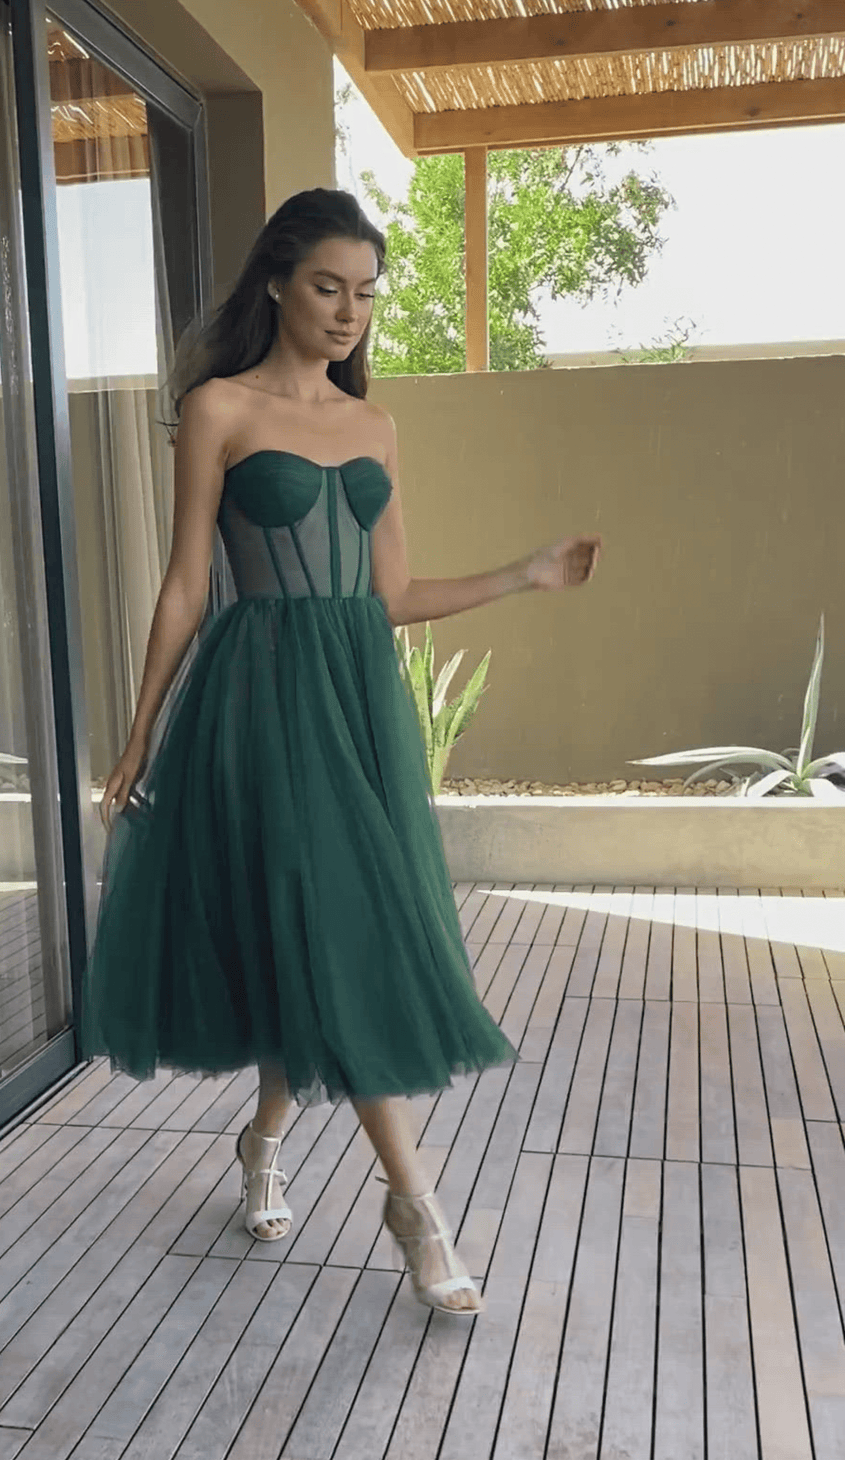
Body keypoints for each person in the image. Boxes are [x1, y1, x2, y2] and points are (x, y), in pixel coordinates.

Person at [81, 188, 601, 1317]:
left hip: (356, 701)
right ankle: (416, 1208)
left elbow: (394, 593)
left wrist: (523, 573)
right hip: (255, 702)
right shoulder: (216, 408)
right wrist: (137, 735)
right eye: (328, 286)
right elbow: (182, 587)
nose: (349, 311)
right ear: (274, 281)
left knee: (314, 935)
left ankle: (262, 1143)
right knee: (326, 927)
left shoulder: (375, 428)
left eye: (365, 292)